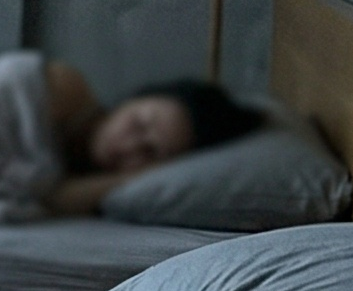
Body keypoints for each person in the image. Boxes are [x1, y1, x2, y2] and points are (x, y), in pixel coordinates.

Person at [42, 63, 263, 216]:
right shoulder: (64, 87)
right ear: (131, 101)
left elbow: (46, 200)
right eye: (138, 124)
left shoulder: (90, 191)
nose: (128, 147)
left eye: (150, 152)